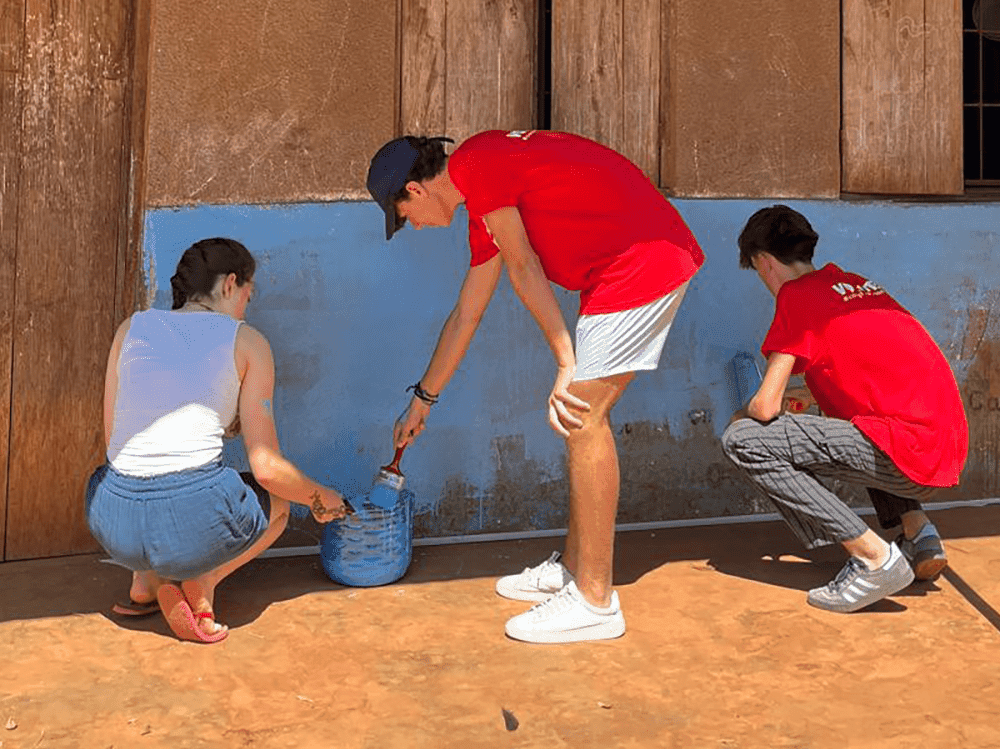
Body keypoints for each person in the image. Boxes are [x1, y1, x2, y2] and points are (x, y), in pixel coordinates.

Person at [366, 129, 704, 643]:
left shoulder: (478, 164)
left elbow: (523, 266)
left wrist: (565, 362)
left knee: (580, 416)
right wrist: (423, 401)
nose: (411, 225)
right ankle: (573, 569)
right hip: (615, 275)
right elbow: (467, 314)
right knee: (580, 419)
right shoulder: (482, 198)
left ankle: (594, 601)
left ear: (415, 190)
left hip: (643, 263)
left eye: (403, 215)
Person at [85, 237, 350, 643]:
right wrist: (322, 497)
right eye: (249, 293)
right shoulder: (248, 342)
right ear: (230, 285)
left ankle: (145, 583)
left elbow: (116, 444)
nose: (247, 305)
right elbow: (267, 469)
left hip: (111, 521)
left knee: (115, 474)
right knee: (278, 505)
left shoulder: (131, 328)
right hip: (192, 520)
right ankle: (203, 583)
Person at [722, 205, 968, 613]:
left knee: (743, 440)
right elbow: (864, 377)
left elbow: (764, 407)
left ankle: (873, 558)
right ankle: (918, 533)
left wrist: (742, 414)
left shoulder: (795, 297)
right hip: (943, 447)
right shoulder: (851, 284)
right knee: (859, 421)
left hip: (910, 453)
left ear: (763, 262)